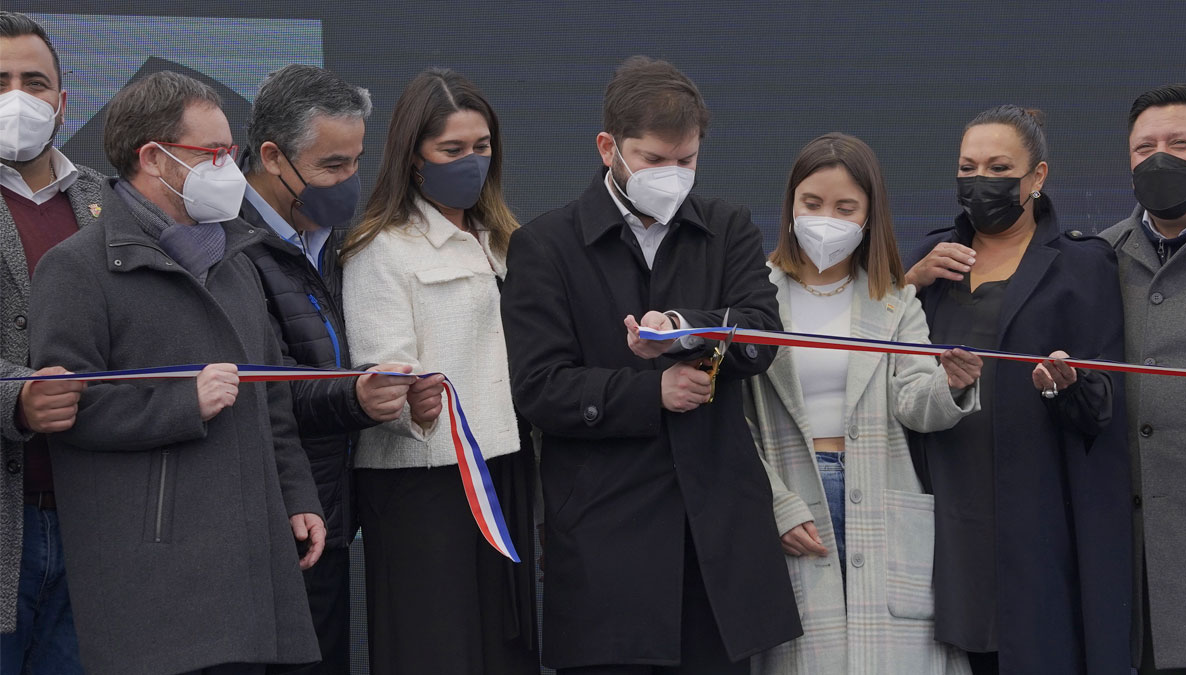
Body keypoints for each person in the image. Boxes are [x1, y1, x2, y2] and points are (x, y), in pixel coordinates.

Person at [501, 56, 802, 674]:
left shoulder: (726, 227)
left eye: (686, 160)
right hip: (607, 539)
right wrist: (652, 392)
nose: (672, 175)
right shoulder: (546, 245)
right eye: (653, 159)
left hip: (719, 539)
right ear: (607, 147)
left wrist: (685, 331)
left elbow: (762, 334)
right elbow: (539, 388)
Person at [28, 70, 326, 675]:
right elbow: (69, 408)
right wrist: (183, 403)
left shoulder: (235, 259)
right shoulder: (77, 268)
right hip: (154, 573)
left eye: (230, 152)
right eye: (211, 153)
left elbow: (270, 396)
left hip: (249, 558)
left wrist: (297, 496)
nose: (229, 168)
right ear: (153, 159)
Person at [744, 133, 980, 675]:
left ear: (870, 217)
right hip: (794, 495)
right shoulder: (755, 294)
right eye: (812, 203)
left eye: (845, 208)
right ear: (789, 205)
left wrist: (950, 385)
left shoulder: (894, 297)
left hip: (881, 490)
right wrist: (775, 503)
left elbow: (914, 400)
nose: (826, 219)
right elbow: (736, 423)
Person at [905, 105, 1130, 675]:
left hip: (1039, 516)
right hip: (941, 508)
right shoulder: (927, 262)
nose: (980, 181)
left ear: (1038, 176)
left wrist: (1068, 386)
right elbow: (878, 364)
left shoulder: (1083, 263)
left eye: (999, 168)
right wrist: (906, 282)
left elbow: (1106, 404)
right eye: (968, 167)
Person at [340, 67, 539, 674]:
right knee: (437, 649)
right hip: (424, 479)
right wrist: (409, 406)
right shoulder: (379, 247)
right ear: (414, 156)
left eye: (482, 147)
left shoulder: (507, 240)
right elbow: (380, 372)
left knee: (506, 646)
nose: (471, 162)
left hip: (504, 465)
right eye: (452, 149)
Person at [240, 64, 414, 675]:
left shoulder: (345, 241)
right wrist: (357, 398)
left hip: (333, 520)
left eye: (356, 161)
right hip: (266, 525)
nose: (349, 181)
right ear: (272, 157)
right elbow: (263, 386)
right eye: (332, 165)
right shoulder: (223, 245)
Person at [0, 12, 97, 673]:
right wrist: (15, 398)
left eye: (33, 82)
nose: (16, 97)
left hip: (93, 525)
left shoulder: (109, 201)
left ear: (62, 102)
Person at [1099, 83, 1186, 674]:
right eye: (1145, 148)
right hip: (1139, 570)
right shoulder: (1098, 256)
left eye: (1180, 144)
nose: (1160, 159)